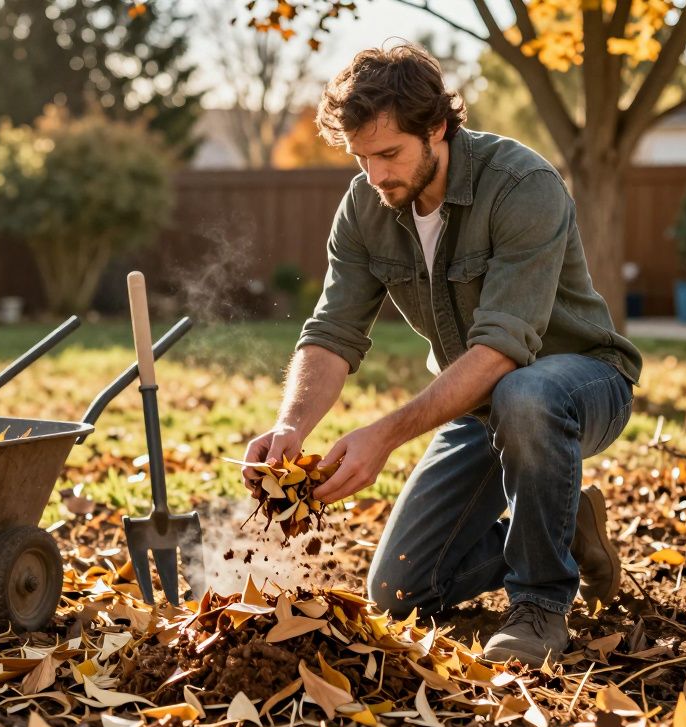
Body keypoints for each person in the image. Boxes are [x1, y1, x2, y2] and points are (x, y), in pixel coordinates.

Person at [241, 42, 642, 667]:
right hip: (480, 406)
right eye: (361, 157)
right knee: (399, 592)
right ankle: (565, 525)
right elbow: (332, 331)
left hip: (580, 383)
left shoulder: (522, 185)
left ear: (437, 128)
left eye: (388, 154)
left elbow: (504, 350)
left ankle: (539, 605)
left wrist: (386, 434)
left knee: (525, 393)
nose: (374, 175)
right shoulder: (365, 208)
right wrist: (292, 426)